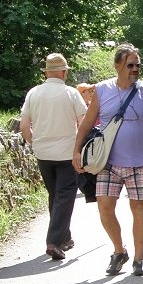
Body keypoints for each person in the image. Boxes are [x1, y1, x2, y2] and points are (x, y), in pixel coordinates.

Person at [72, 43, 143, 277]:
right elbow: (86, 122)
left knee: (139, 209)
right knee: (105, 208)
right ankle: (119, 251)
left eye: (137, 65)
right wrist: (76, 151)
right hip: (107, 162)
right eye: (130, 65)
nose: (135, 69)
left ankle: (139, 258)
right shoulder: (103, 90)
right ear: (117, 66)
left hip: (138, 161)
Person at [20, 53, 88, 260]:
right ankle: (54, 242)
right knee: (65, 196)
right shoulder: (70, 94)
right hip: (66, 152)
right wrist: (79, 150)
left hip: (43, 153)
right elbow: (83, 124)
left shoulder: (34, 93)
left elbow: (24, 126)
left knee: (55, 195)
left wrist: (36, 143)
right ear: (63, 72)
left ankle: (64, 238)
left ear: (48, 73)